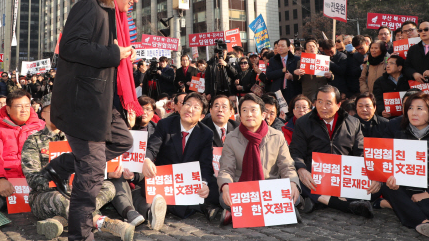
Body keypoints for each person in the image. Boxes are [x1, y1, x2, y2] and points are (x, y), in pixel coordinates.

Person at [47, 0, 143, 240]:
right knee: (90, 179)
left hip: (103, 104)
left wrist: (121, 55)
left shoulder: (115, 15)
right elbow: (70, 47)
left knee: (124, 140)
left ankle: (62, 165)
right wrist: (114, 53)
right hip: (84, 107)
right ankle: (81, 236)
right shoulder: (90, 6)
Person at [21, 97, 135, 241]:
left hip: (78, 188)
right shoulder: (33, 140)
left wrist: (106, 173)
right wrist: (59, 182)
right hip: (47, 194)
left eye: (61, 110)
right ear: (42, 114)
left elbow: (90, 164)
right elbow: (33, 178)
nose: (58, 114)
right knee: (64, 200)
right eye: (52, 110)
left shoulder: (77, 138)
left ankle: (60, 221)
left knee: (108, 187)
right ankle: (104, 223)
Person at [289, 85, 381, 217]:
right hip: (315, 176)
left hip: (344, 177)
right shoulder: (303, 122)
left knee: (376, 187)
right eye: (319, 102)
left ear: (338, 105)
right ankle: (344, 204)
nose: (323, 107)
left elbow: (361, 152)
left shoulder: (353, 123)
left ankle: (320, 200)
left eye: (328, 103)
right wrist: (302, 169)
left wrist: (372, 175)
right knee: (295, 178)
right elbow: (296, 151)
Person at [380, 92, 429, 238]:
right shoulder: (399, 134)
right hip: (404, 189)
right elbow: (386, 162)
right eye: (410, 108)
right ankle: (424, 222)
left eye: (419, 108)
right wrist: (392, 178)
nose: (413, 113)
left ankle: (401, 208)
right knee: (387, 185)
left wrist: (427, 193)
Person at [137, 92, 220, 227]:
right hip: (166, 178)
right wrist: (147, 159)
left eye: (196, 107)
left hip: (188, 180)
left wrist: (204, 182)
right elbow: (152, 148)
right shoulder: (165, 124)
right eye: (187, 104)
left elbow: (205, 163)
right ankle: (198, 207)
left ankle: (172, 205)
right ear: (181, 108)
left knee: (214, 188)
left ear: (202, 116)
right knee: (145, 188)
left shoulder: (206, 133)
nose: (189, 109)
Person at [217, 93, 301, 225]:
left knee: (295, 197)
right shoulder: (231, 138)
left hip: (270, 188)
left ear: (263, 114)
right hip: (243, 189)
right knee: (224, 198)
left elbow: (287, 165)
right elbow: (226, 169)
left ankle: (236, 213)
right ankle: (283, 212)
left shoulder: (277, 136)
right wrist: (226, 186)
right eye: (244, 110)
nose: (249, 114)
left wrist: (293, 183)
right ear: (239, 115)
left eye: (253, 110)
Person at [0, 90, 46, 211]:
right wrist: (0, 179)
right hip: (7, 182)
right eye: (19, 106)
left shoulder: (41, 126)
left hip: (35, 181)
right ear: (8, 109)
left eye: (27, 105)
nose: (24, 110)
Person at [266, 38, 301, 105]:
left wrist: (292, 76)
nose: (280, 48)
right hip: (278, 92)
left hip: (292, 91)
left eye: (282, 46)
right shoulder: (273, 60)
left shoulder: (296, 60)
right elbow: (269, 75)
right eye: (278, 46)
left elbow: (301, 77)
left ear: (288, 48)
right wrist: (282, 70)